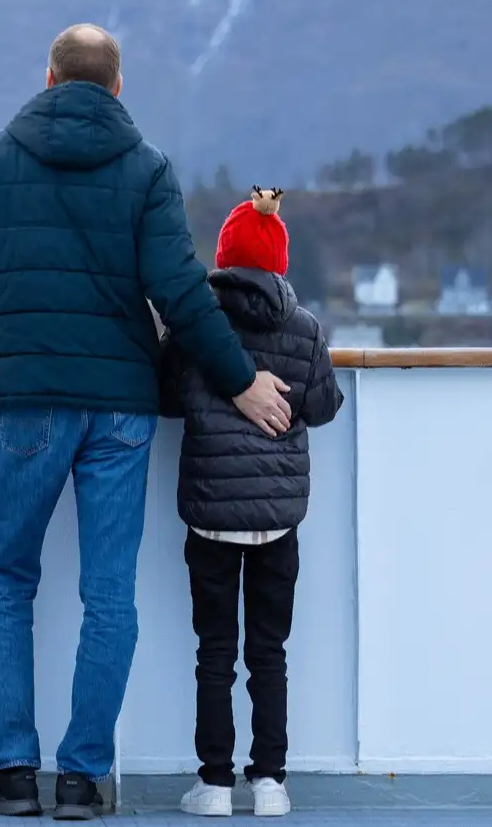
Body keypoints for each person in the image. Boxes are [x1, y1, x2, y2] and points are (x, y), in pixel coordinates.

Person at [0, 24, 294, 820]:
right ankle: (82, 777)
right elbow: (181, 290)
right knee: (108, 593)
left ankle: (13, 772)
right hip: (122, 406)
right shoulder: (147, 168)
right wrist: (241, 381)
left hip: (27, 398)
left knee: (5, 579)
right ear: (118, 87)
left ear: (50, 77)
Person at [159, 189, 343, 819]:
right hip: (277, 520)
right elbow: (321, 407)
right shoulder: (306, 327)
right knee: (269, 652)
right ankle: (270, 782)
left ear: (224, 258)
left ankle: (213, 783)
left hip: (210, 514)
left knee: (215, 651)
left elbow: (166, 396)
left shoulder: (196, 328)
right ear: (280, 260)